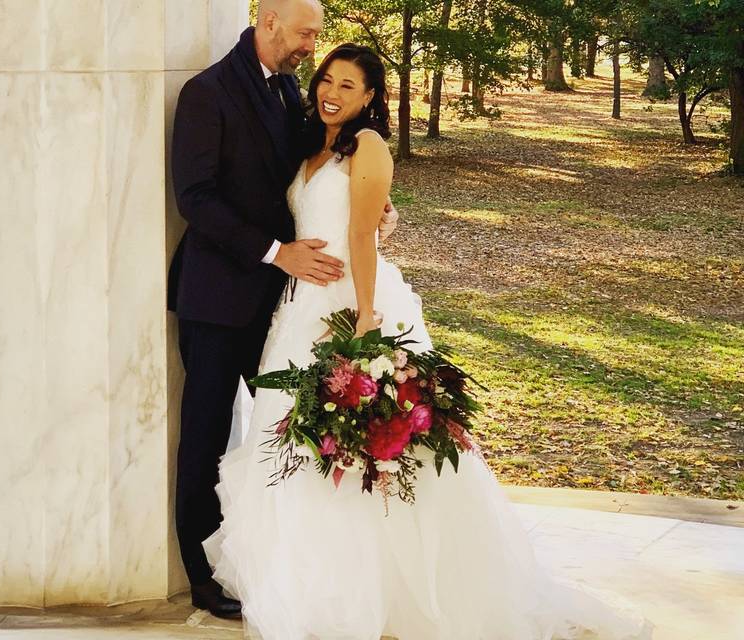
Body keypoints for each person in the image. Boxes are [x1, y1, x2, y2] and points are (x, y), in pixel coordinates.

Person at [202, 43, 653, 640]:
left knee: (364, 447)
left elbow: (362, 235)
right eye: (326, 80)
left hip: (351, 302)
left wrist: (365, 319)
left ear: (370, 98)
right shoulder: (310, 142)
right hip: (298, 306)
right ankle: (315, 581)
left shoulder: (369, 146)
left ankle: (390, 590)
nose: (331, 93)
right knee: (295, 448)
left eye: (348, 86)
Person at [168, 0, 399, 620]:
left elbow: (319, 174)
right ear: (268, 21)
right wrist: (278, 253)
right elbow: (196, 199)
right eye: (306, 34)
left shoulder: (289, 89)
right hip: (217, 300)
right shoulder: (206, 92)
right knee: (208, 437)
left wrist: (375, 211)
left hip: (287, 308)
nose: (312, 48)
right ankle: (203, 570)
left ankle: (301, 565)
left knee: (295, 439)